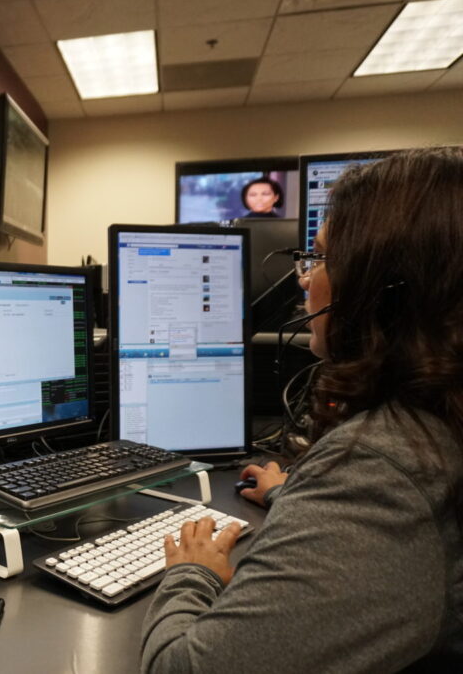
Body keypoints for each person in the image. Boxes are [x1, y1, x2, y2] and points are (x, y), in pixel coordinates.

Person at [141, 147, 463, 672]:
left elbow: (180, 669)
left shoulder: (380, 467)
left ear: (384, 288)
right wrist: (298, 496)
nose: (304, 280)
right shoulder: (437, 425)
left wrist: (191, 572)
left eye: (319, 260)